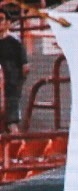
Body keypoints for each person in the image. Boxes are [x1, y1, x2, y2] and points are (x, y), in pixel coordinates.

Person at [0, 7, 26, 136]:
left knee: (12, 120)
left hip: (11, 84)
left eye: (1, 19)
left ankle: (14, 141)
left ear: (8, 22)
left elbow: (25, 65)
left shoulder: (14, 41)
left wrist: (17, 81)